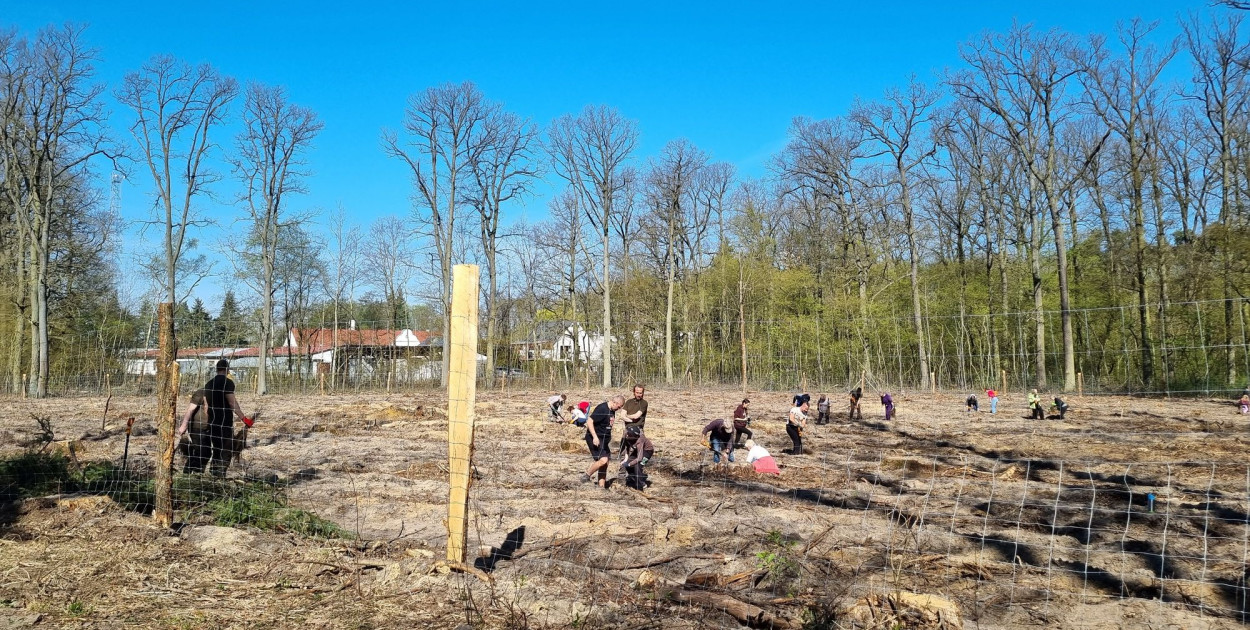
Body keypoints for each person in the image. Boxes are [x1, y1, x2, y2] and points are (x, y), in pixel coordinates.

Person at [199, 360, 251, 476]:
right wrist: (244, 419)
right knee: (226, 449)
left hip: (212, 423)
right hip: (225, 423)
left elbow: (206, 407)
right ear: (227, 369)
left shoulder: (208, 384)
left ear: (217, 369)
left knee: (216, 449)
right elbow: (232, 403)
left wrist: (208, 422)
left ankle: (213, 473)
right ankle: (220, 474)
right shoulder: (228, 383)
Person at [584, 395, 624, 489]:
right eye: (619, 407)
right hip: (595, 438)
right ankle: (586, 475)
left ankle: (601, 486)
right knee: (603, 460)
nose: (619, 409)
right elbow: (589, 421)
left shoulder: (612, 411)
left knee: (606, 463)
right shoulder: (602, 408)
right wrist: (594, 437)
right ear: (615, 402)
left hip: (604, 440)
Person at [176, 389, 209, 473]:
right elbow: (190, 409)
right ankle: (189, 474)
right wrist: (184, 425)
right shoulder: (201, 392)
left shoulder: (220, 392)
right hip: (197, 427)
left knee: (206, 453)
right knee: (199, 452)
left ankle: (197, 474)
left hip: (209, 428)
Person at [620, 425, 654, 490]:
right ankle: (634, 478)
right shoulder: (627, 436)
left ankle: (640, 485)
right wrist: (626, 459)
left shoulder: (640, 441)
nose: (627, 435)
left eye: (629, 434)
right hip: (638, 451)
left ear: (634, 436)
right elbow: (627, 447)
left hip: (647, 451)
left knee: (638, 465)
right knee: (626, 464)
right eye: (627, 433)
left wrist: (629, 464)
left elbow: (639, 458)